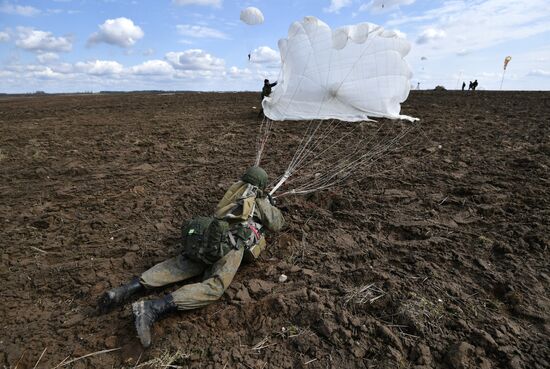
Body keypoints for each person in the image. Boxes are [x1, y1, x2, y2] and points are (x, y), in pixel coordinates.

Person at [98, 166, 285, 348]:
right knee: (214, 286)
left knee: (180, 265)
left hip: (209, 236)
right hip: (231, 246)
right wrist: (268, 202)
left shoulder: (233, 190)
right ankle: (153, 308)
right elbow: (277, 223)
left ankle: (124, 290)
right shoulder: (259, 203)